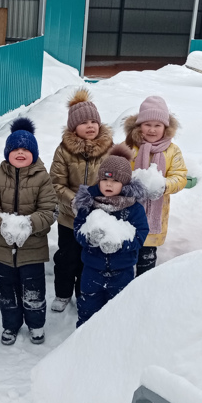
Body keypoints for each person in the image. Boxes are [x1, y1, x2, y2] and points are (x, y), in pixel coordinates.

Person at [0, 117, 57, 346]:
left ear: (34, 153)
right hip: (3, 248)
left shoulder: (43, 178)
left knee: (33, 289)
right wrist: (2, 223)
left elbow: (50, 209)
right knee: (7, 291)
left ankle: (36, 324)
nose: (21, 153)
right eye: (16, 149)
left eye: (26, 149)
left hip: (32, 248)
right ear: (7, 152)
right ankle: (11, 325)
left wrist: (28, 225)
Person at [49, 88, 113, 313]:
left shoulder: (108, 150)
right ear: (73, 127)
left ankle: (83, 293)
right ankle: (63, 293)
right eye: (84, 122)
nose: (90, 125)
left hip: (97, 216)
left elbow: (115, 180)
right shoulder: (64, 150)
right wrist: (74, 201)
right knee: (67, 257)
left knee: (90, 258)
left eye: (93, 121)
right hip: (69, 217)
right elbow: (56, 183)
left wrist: (101, 202)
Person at [73, 144, 149, 326]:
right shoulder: (90, 204)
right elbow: (78, 228)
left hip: (122, 270)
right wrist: (88, 238)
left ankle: (114, 339)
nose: (109, 184)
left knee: (119, 309)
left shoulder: (133, 208)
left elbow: (141, 234)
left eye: (115, 181)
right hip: (92, 269)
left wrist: (121, 244)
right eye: (105, 180)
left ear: (125, 184)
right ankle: (83, 340)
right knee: (88, 308)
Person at [124, 96, 187, 275]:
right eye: (147, 124)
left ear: (165, 127)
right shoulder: (129, 146)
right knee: (126, 256)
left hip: (156, 215)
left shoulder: (172, 150)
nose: (152, 130)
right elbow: (115, 171)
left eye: (157, 125)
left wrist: (163, 185)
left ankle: (143, 288)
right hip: (128, 210)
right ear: (139, 126)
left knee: (146, 258)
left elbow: (180, 176)